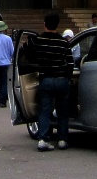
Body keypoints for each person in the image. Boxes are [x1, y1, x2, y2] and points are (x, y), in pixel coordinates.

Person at [28, 12, 74, 151]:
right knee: (62, 111)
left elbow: (29, 54)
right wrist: (66, 76)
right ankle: (62, 139)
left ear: (44, 24)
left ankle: (43, 139)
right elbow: (70, 63)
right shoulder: (63, 42)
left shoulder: (39, 40)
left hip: (46, 79)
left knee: (45, 110)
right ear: (57, 25)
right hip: (61, 80)